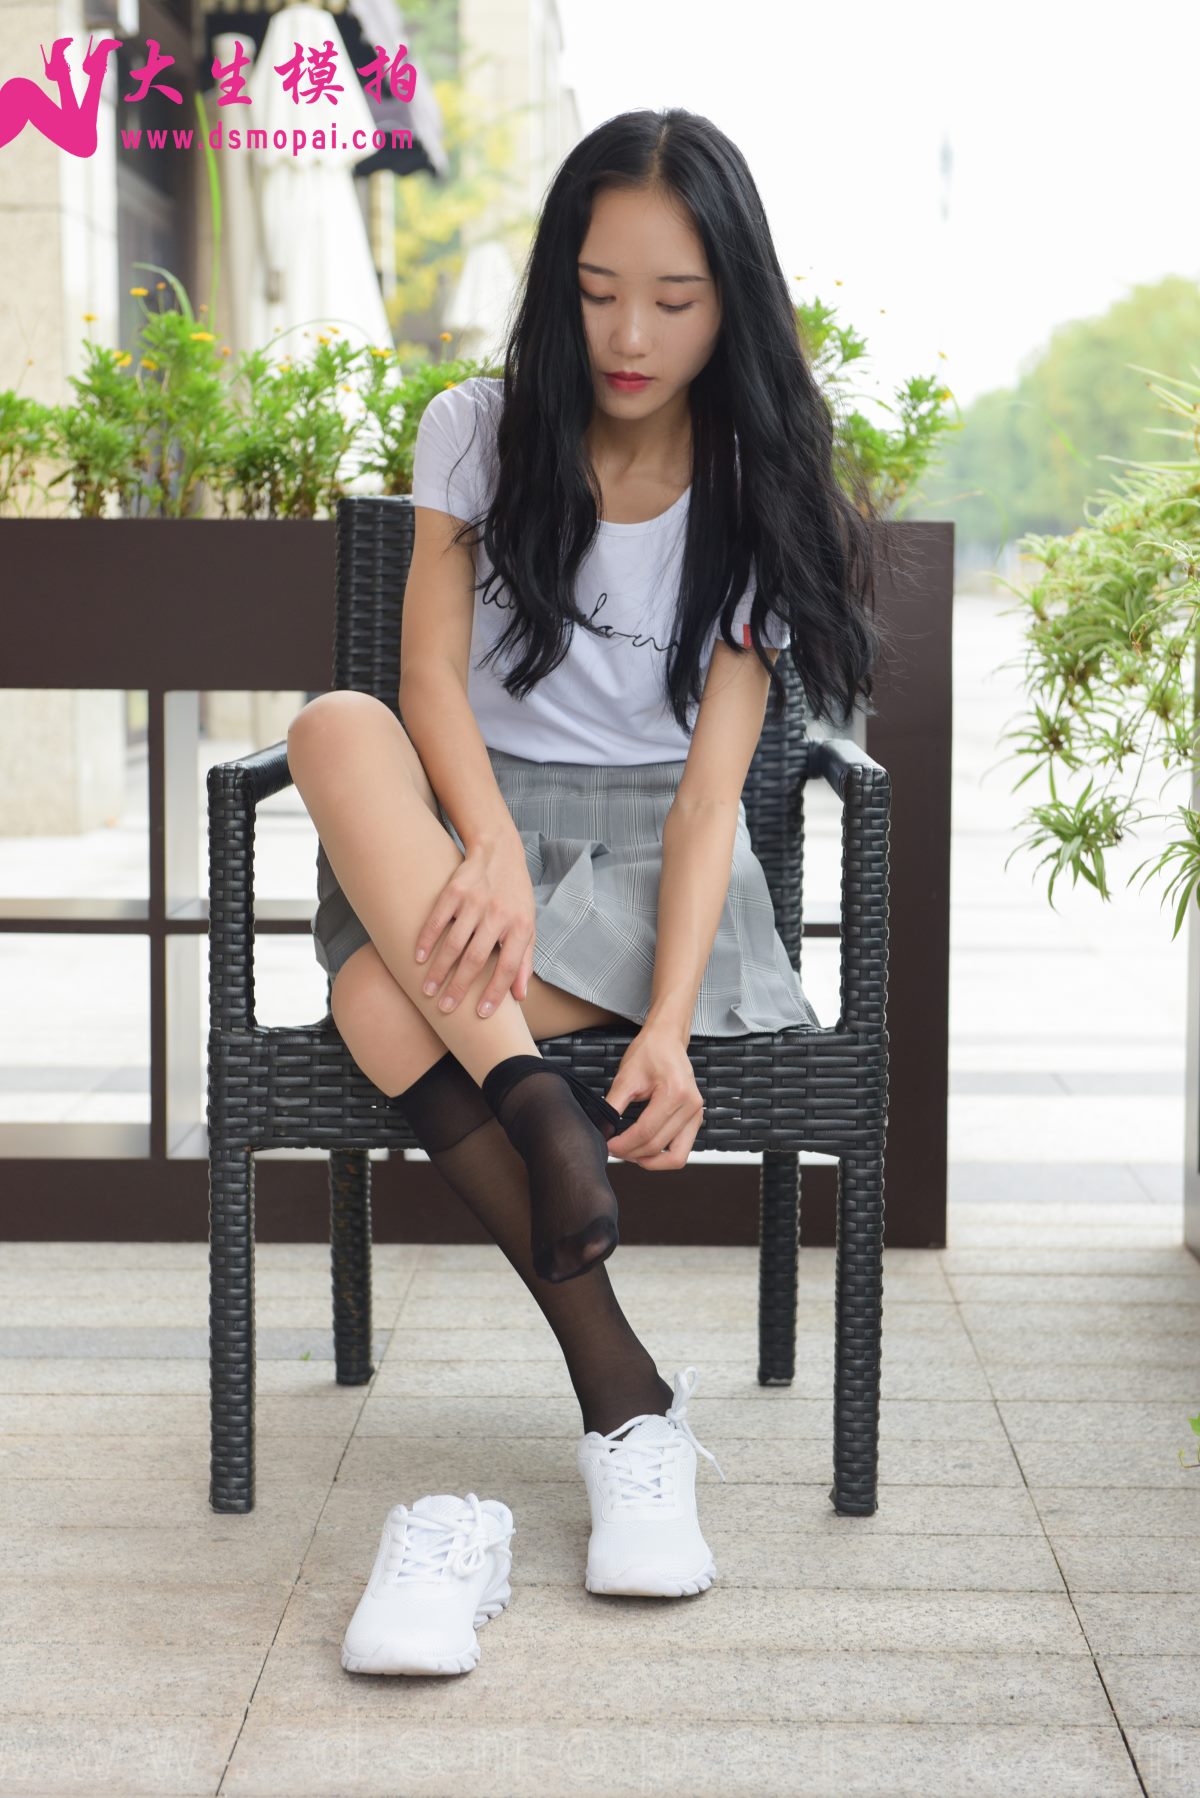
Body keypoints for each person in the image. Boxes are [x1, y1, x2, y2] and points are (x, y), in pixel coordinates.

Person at [288, 107, 887, 1637]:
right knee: (334, 723)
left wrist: (669, 1026)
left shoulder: (756, 486)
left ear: (731, 301)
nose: (630, 336)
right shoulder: (477, 428)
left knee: (378, 999)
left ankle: (614, 1373)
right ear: (560, 280)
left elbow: (708, 804)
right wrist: (486, 842)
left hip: (642, 859)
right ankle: (569, 1197)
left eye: (674, 301)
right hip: (466, 831)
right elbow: (430, 683)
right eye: (600, 291)